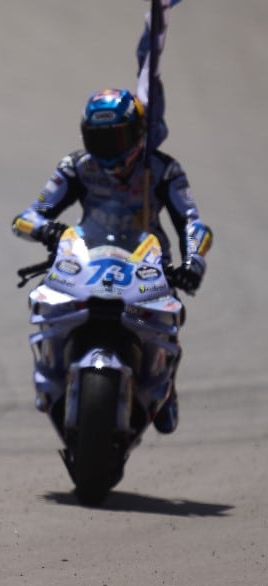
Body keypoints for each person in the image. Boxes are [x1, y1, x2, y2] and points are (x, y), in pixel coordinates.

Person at [11, 88, 214, 434]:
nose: (108, 148)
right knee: (48, 302)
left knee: (172, 315)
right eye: (99, 138)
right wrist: (47, 230)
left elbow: (192, 223)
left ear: (138, 133)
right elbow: (26, 217)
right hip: (87, 259)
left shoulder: (163, 170)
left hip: (147, 265)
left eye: (116, 137)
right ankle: (52, 372)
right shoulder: (76, 166)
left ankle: (164, 381)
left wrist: (192, 263)